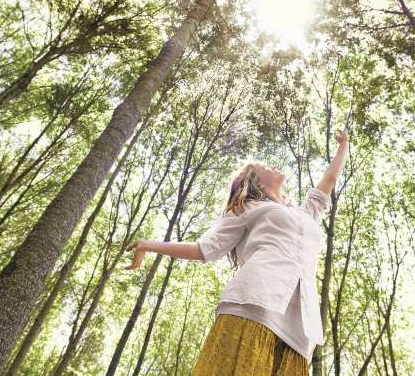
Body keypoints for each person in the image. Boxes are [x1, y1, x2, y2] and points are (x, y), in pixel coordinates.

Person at [125, 129, 349, 375]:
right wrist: (148, 245)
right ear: (257, 182)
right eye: (263, 166)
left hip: (300, 325)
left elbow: (328, 180)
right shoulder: (248, 208)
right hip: (254, 302)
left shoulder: (305, 213)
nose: (271, 165)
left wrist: (343, 146)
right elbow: (203, 249)